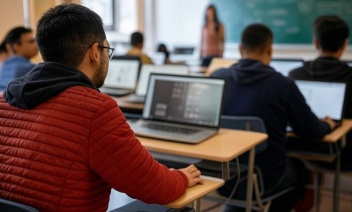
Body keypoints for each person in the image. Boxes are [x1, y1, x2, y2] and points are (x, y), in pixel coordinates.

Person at [0, 3, 203, 211]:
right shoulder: (94, 110)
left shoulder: (3, 101)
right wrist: (181, 177)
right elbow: (155, 187)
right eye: (107, 50)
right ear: (95, 52)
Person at [210, 23, 336, 212]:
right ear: (270, 50)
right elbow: (311, 130)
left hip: (221, 177)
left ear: (240, 49)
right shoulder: (282, 85)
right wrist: (327, 125)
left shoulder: (217, 78)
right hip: (264, 180)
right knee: (301, 170)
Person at [289, 15, 352, 211]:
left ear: (315, 42)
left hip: (303, 152)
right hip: (346, 156)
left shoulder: (295, 75)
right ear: (345, 44)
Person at [0, 26, 39, 91]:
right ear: (16, 46)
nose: (36, 44)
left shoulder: (4, 66)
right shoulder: (30, 68)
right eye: (31, 41)